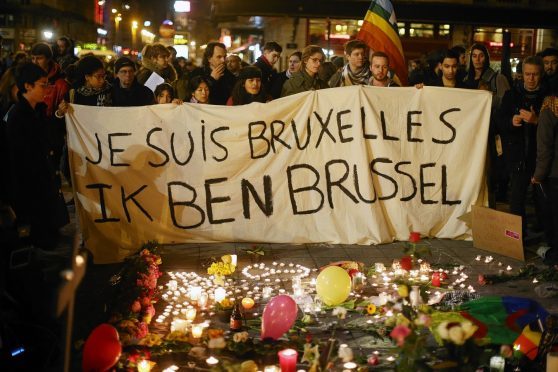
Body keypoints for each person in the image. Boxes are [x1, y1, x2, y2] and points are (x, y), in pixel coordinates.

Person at [5, 62, 69, 249]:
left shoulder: (38, 111)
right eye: (43, 85)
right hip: (30, 190)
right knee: (34, 240)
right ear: (28, 86)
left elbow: (49, 137)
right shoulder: (17, 116)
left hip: (43, 186)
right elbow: (17, 159)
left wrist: (58, 114)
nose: (47, 90)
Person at [498, 55, 547, 238]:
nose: (531, 78)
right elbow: (499, 121)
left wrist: (536, 121)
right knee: (516, 201)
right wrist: (511, 121)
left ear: (541, 75)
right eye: (527, 74)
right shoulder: (512, 95)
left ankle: (546, 236)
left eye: (535, 74)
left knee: (542, 200)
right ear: (522, 74)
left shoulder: (549, 97)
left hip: (540, 157)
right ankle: (517, 238)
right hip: (518, 156)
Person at [532, 80, 558, 265]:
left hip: (554, 174)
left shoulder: (550, 107)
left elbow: (545, 145)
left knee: (554, 215)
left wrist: (538, 174)